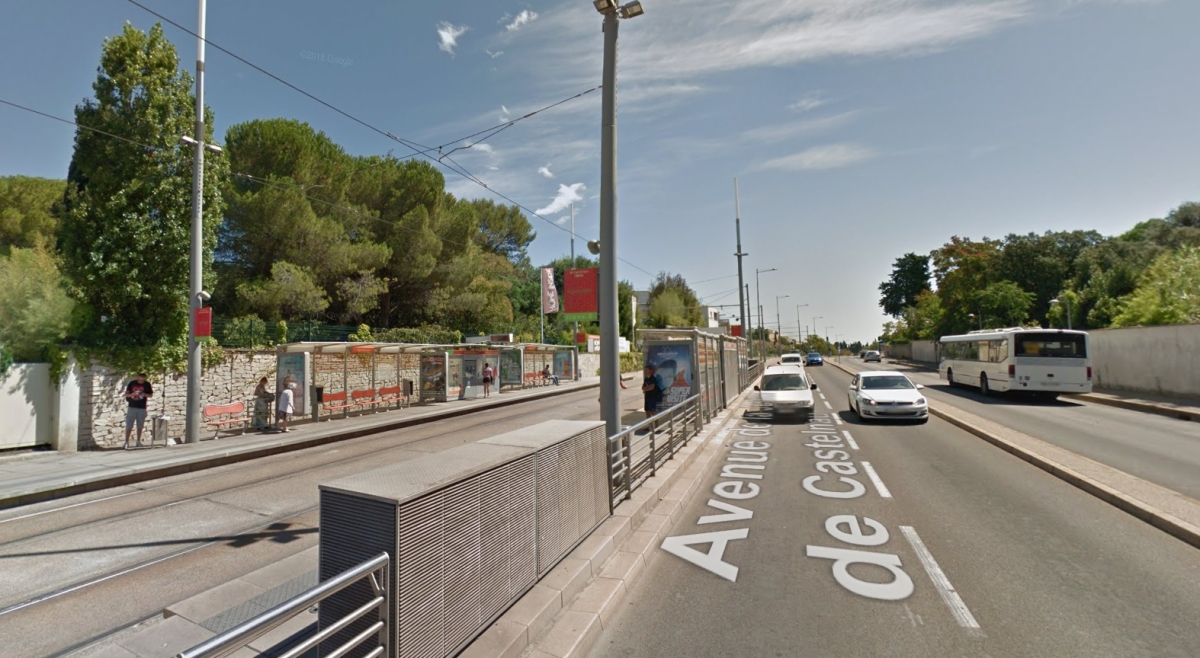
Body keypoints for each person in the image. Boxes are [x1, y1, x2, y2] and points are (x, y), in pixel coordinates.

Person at [123, 372, 154, 449]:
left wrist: (144, 395)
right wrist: (132, 394)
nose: (141, 381)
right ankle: (126, 442)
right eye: (139, 379)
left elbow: (150, 395)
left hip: (142, 407)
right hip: (132, 407)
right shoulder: (132, 383)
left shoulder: (147, 384)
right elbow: (126, 394)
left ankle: (138, 441)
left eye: (142, 379)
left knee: (140, 425)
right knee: (129, 425)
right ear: (137, 377)